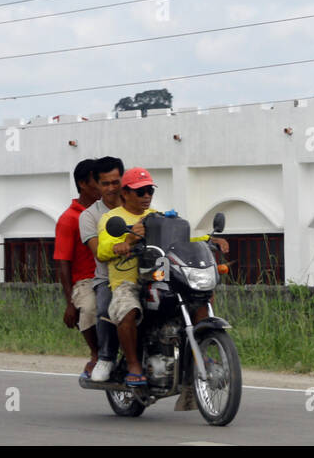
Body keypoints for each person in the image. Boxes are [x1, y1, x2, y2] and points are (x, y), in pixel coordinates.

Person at [97, 167, 228, 388]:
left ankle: (201, 354)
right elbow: (102, 250)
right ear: (125, 193)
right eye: (140, 192)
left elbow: (181, 242)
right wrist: (125, 242)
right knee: (127, 310)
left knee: (198, 298)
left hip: (159, 278)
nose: (146, 196)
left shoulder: (157, 217)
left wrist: (208, 240)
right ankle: (134, 365)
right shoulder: (112, 218)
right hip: (127, 281)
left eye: (149, 190)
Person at [78, 156, 125, 382]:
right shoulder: (88, 216)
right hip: (108, 278)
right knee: (105, 309)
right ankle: (106, 356)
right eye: (105, 183)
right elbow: (98, 252)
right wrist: (126, 245)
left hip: (140, 275)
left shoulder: (137, 204)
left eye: (116, 182)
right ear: (97, 185)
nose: (111, 188)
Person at [54, 159, 101, 378]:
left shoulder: (113, 211)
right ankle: (96, 354)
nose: (104, 186)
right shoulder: (69, 219)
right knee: (90, 309)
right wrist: (70, 303)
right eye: (98, 181)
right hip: (87, 281)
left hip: (115, 276)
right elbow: (63, 262)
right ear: (83, 184)